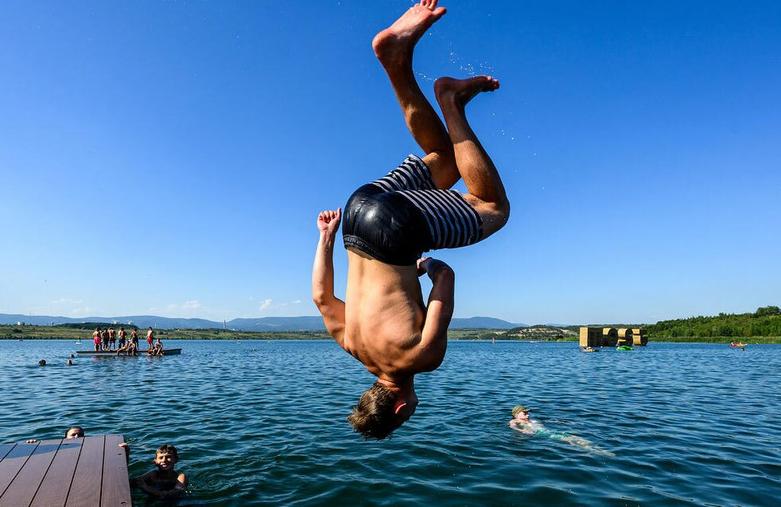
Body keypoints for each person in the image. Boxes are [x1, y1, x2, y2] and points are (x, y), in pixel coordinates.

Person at [312, 0, 509, 439]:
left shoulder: (420, 358)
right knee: (443, 160)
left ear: (400, 406)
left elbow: (446, 280)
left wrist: (427, 266)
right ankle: (395, 59)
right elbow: (322, 299)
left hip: (397, 234)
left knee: (492, 208)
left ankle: (451, 101)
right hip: (356, 215)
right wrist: (325, 239)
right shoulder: (352, 345)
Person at [509, 406, 614, 457]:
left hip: (549, 431)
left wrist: (563, 422)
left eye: (528, 412)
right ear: (516, 414)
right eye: (524, 413)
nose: (527, 414)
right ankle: (598, 453)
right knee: (569, 440)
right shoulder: (514, 421)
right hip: (541, 434)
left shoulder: (531, 420)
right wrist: (523, 432)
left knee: (576, 438)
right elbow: (513, 427)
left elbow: (547, 421)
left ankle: (598, 449)